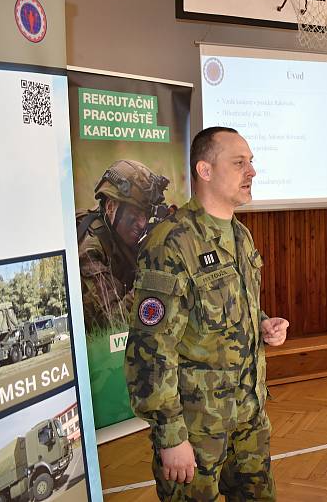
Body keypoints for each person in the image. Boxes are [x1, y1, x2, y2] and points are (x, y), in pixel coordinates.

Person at [124, 126, 289, 501]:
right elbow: (151, 348)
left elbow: (227, 307)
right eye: (239, 163)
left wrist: (263, 322)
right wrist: (170, 436)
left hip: (248, 418)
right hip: (197, 431)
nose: (252, 172)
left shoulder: (240, 236)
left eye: (252, 162)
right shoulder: (171, 242)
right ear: (205, 170)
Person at [77, 159, 170, 332]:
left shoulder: (123, 238)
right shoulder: (89, 250)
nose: (142, 224)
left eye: (146, 214)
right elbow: (110, 324)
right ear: (111, 207)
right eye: (135, 214)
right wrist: (155, 278)